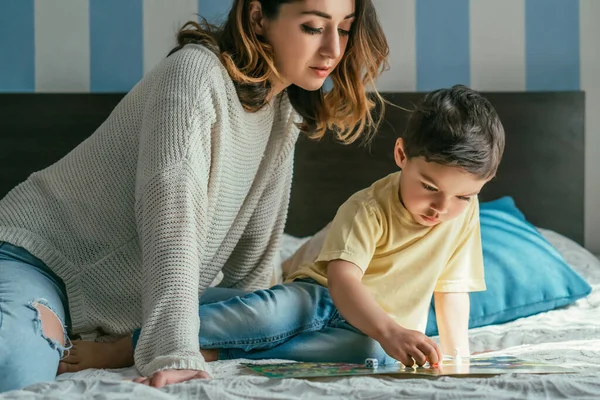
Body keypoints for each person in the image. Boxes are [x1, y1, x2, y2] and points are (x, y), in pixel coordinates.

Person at [0, 0, 389, 392]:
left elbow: (252, 262)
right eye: (312, 27)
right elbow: (172, 221)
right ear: (257, 18)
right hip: (40, 263)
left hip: (121, 306)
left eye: (343, 29)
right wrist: (174, 352)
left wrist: (250, 326)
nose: (333, 50)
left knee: (335, 320)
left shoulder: (282, 111)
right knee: (17, 363)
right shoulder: (195, 74)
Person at [61, 84, 505, 376]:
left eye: (462, 196)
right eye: (429, 187)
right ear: (402, 154)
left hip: (374, 333)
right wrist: (390, 331)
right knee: (268, 315)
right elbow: (342, 279)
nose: (442, 208)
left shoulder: (464, 214)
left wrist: (455, 354)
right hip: (323, 299)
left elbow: (452, 287)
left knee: (373, 359)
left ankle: (220, 347)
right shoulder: (370, 207)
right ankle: (129, 344)